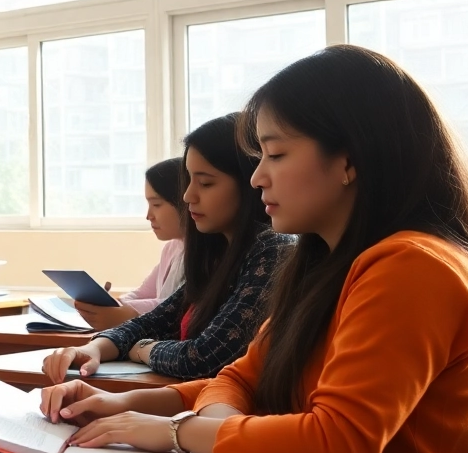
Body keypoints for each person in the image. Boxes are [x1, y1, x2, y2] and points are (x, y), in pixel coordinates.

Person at [40, 46, 468, 453]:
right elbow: (238, 379)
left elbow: (336, 446)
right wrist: (122, 405)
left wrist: (179, 431)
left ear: (349, 160)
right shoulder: (327, 267)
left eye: (276, 156)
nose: (258, 179)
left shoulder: (414, 268)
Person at [42, 114, 292, 381]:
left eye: (205, 183)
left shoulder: (272, 249)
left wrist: (142, 349)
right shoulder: (218, 255)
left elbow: (202, 358)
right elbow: (154, 321)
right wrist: (93, 348)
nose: (187, 196)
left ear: (249, 182)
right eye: (189, 181)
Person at [73, 157, 186, 329]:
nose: (148, 215)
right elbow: (143, 293)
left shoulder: (207, 254)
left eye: (156, 204)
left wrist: (127, 312)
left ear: (184, 201)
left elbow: (175, 305)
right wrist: (114, 304)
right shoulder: (171, 248)